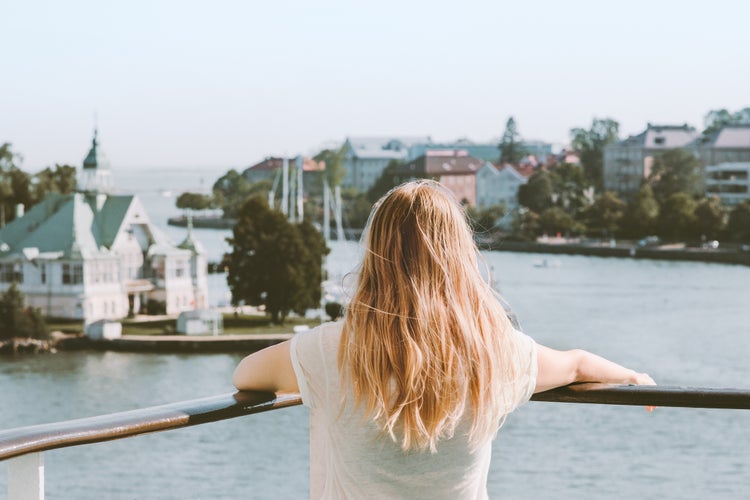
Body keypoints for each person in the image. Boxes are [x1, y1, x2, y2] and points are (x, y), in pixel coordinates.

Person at [233, 180, 654, 499]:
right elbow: (577, 365)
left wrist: (318, 388)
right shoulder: (496, 353)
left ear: (375, 255)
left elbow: (245, 375)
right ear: (459, 255)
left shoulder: (329, 351)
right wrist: (632, 375)